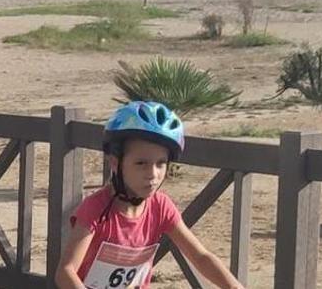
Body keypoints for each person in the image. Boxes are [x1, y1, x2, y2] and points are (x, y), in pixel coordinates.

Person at [57, 102, 243, 289]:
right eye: (141, 163)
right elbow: (66, 272)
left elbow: (200, 257)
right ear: (115, 163)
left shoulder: (160, 206)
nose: (153, 174)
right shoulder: (95, 209)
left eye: (161, 163)